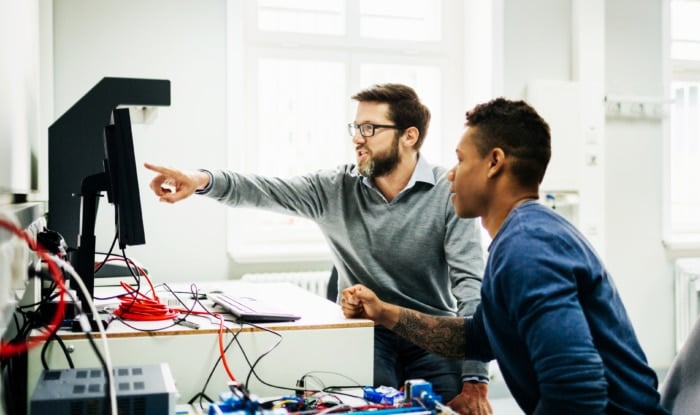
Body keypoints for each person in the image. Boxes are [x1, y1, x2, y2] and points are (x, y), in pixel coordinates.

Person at [144, 84, 493, 414]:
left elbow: (471, 288)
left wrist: (476, 379)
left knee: (448, 407)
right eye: (355, 127)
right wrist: (201, 181)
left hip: (430, 331)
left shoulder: (450, 191)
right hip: (366, 333)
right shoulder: (334, 188)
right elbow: (263, 189)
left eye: (370, 128)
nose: (357, 138)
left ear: (409, 136)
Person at [341, 97, 671, 414]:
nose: (450, 174)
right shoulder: (522, 237)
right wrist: (383, 312)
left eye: (461, 159)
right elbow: (476, 337)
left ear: (494, 162)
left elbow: (576, 390)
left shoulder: (529, 248)